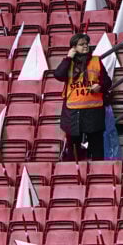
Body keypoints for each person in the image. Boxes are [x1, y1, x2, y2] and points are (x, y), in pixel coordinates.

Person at [51, 31, 111, 161]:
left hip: (94, 111)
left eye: (87, 44)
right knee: (73, 149)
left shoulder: (96, 61)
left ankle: (98, 171)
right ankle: (74, 171)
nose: (85, 46)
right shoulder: (68, 62)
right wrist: (68, 58)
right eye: (81, 44)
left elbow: (107, 82)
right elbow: (58, 75)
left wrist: (100, 86)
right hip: (73, 112)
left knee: (97, 148)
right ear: (73, 47)